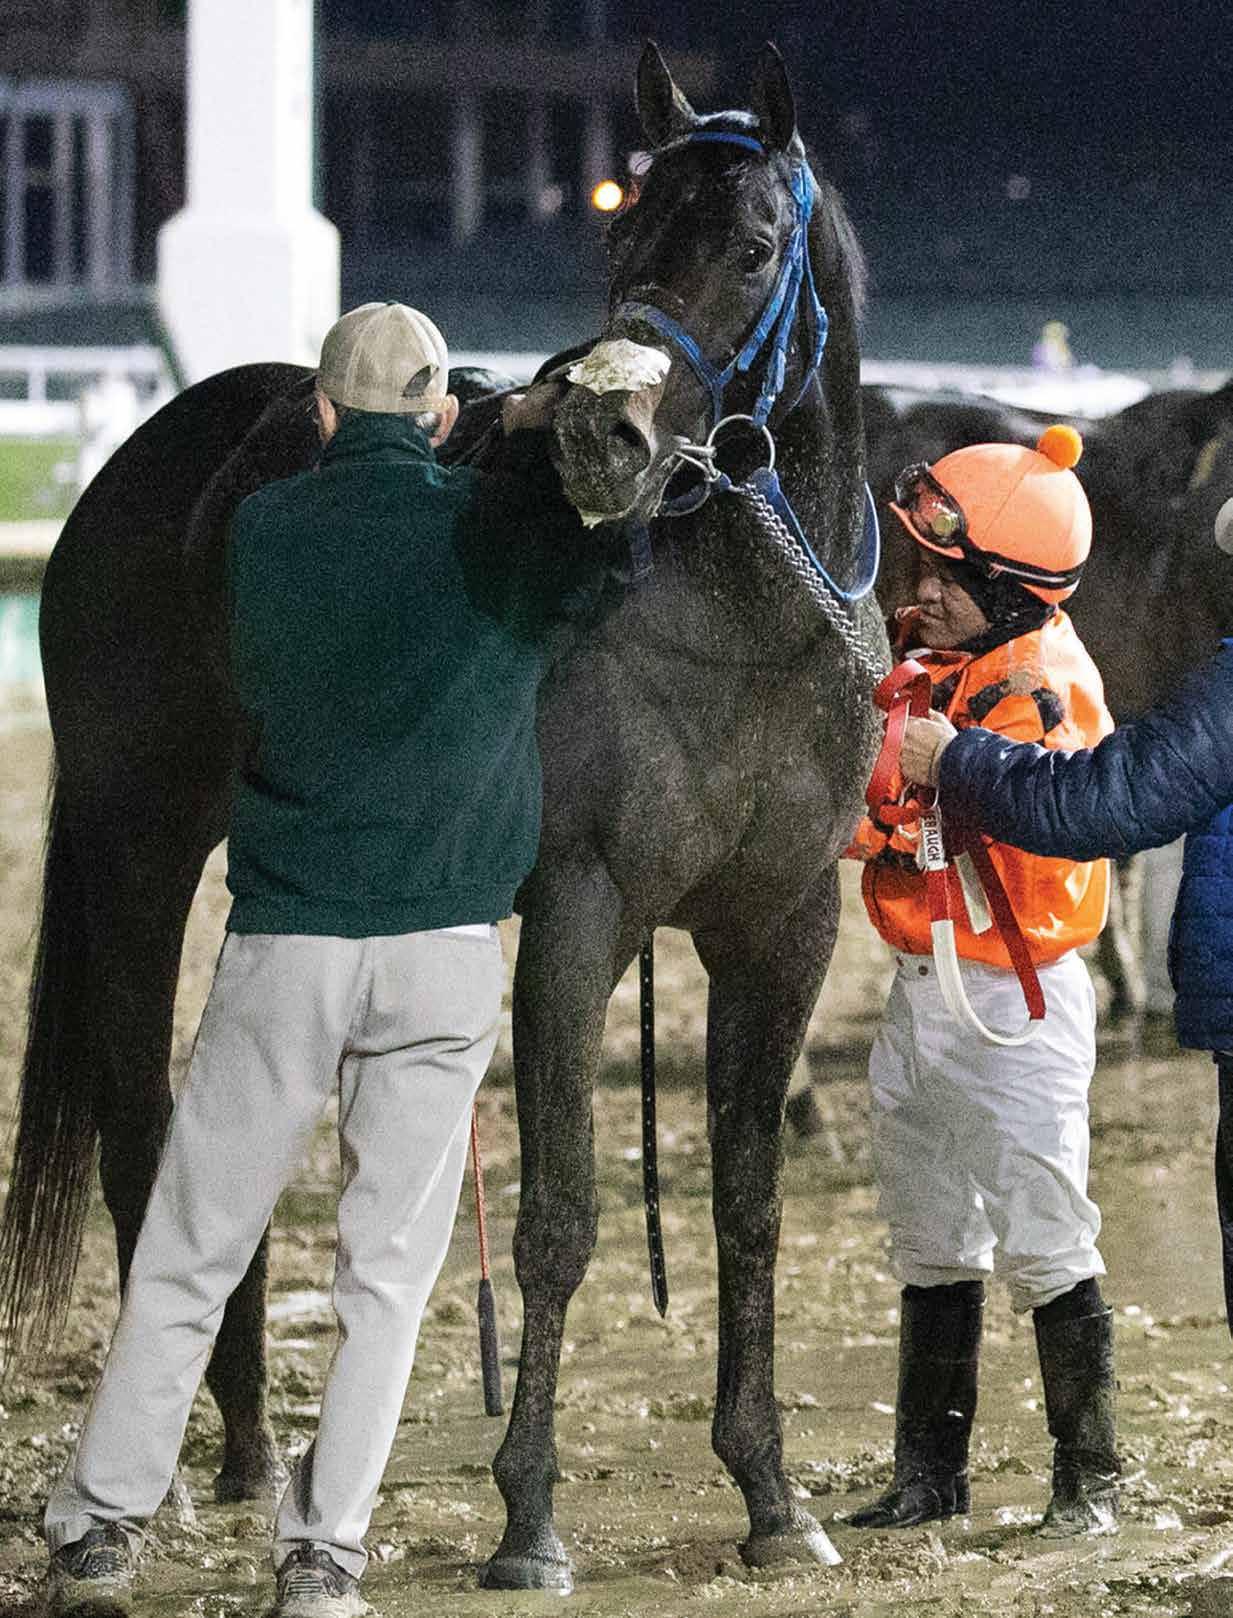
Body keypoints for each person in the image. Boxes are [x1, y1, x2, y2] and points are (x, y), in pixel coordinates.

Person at [41, 302, 619, 1618]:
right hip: (441, 952)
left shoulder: (261, 531)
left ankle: (102, 1530)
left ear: (317, 412)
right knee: (386, 1280)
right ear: (439, 414)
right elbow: (602, 568)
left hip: (288, 940)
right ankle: (322, 1556)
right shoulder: (498, 530)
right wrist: (546, 429)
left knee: (189, 1248)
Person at [846, 425, 1122, 1538]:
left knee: (1048, 1241)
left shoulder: (1046, 689)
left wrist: (904, 786)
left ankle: (1090, 1485)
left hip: (1018, 1002)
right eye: (919, 564)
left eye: (944, 576)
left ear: (1009, 592)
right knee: (927, 1239)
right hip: (924, 987)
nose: (919, 591)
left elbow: (1004, 816)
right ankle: (929, 1481)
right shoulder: (945, 657)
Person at [900, 492, 1233, 1360]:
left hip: (1015, 990)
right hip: (946, 985)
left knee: (1043, 1238)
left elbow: (1107, 804)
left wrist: (955, 759)